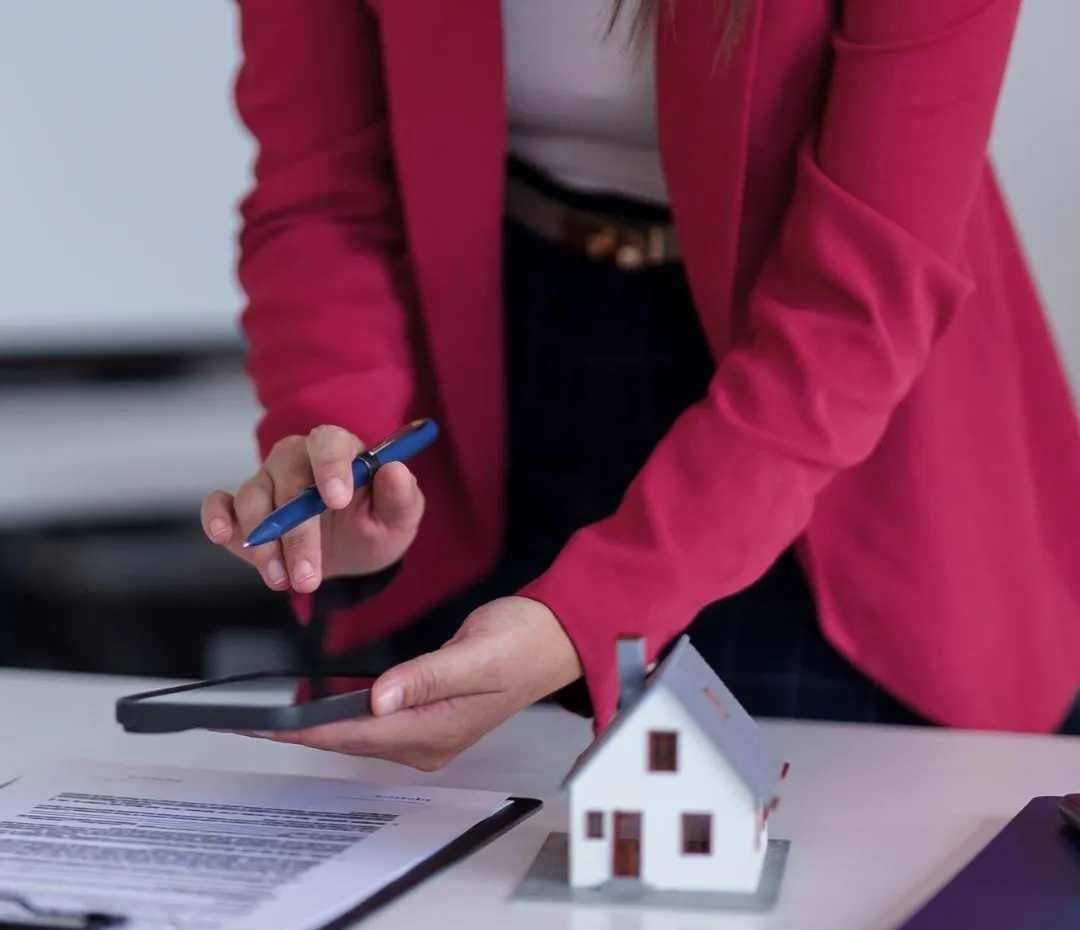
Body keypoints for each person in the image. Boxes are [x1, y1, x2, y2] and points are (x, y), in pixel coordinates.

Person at [203, 0, 1080, 768]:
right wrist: (340, 439)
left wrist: (590, 618)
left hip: (830, 444)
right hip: (488, 363)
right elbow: (323, 193)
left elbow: (857, 303)